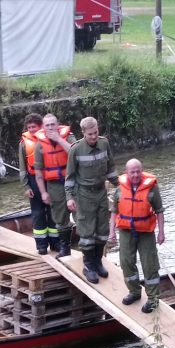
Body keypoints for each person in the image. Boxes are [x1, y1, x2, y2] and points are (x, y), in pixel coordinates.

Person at [65, 117, 119, 283]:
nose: (94, 136)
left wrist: (121, 185)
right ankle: (88, 266)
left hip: (101, 193)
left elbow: (110, 169)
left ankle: (97, 262)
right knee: (87, 233)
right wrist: (69, 198)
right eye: (90, 134)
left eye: (96, 132)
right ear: (83, 133)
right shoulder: (76, 149)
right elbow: (70, 177)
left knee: (102, 231)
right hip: (84, 195)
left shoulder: (104, 144)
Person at [108, 159, 166, 313]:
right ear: (127, 173)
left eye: (138, 171)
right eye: (132, 172)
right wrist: (112, 232)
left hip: (145, 232)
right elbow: (114, 211)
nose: (135, 174)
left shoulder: (152, 189)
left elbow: (159, 211)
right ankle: (134, 292)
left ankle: (153, 299)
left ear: (142, 171)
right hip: (126, 231)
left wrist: (161, 232)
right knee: (126, 262)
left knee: (149, 264)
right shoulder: (120, 189)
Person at [34, 113, 77, 258]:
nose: (51, 127)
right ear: (43, 127)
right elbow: (38, 172)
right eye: (47, 125)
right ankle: (65, 249)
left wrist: (58, 139)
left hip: (73, 182)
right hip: (54, 185)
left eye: (53, 124)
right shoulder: (39, 144)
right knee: (60, 219)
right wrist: (43, 192)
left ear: (58, 125)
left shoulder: (69, 137)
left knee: (81, 215)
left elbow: (76, 153)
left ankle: (87, 251)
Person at [18, 113, 57, 254]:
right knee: (38, 213)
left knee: (53, 212)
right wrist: (26, 186)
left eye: (34, 127)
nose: (32, 130)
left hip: (50, 179)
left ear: (41, 126)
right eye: (29, 127)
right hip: (34, 180)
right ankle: (41, 245)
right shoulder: (23, 143)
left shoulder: (50, 139)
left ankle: (55, 243)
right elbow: (22, 168)